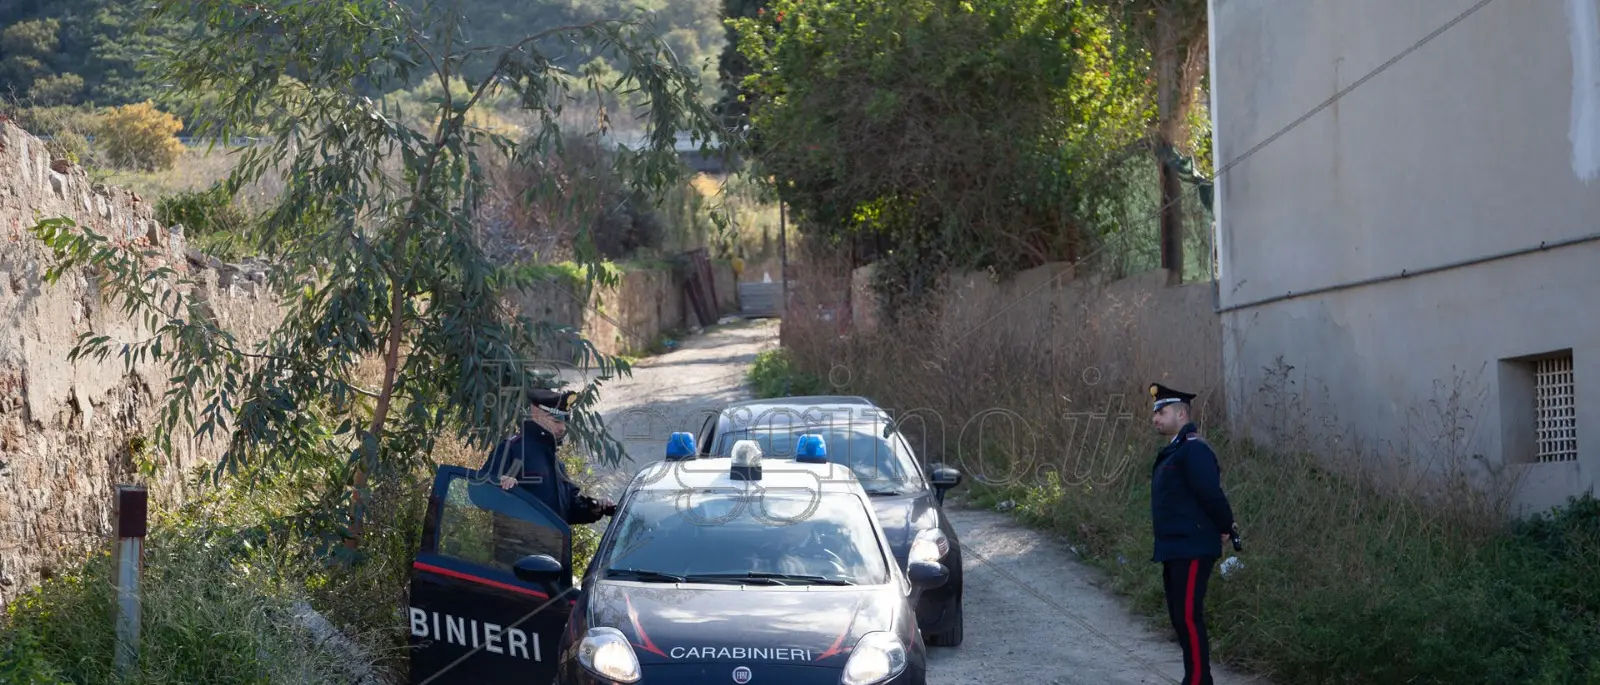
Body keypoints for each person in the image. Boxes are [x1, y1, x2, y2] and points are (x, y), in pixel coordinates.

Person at [1148, 382, 1237, 685]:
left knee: (1188, 617)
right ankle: (1196, 677)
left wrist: (1226, 526)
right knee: (1179, 618)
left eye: (1162, 411)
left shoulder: (1194, 449)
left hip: (1192, 547)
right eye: (1154, 412)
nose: (1156, 417)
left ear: (1182, 413)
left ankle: (1199, 681)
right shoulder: (1176, 450)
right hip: (1174, 547)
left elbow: (1211, 494)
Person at [475, 388, 617, 526]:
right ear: (536, 414)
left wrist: (597, 507)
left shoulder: (555, 463)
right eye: (557, 421)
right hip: (518, 548)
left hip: (553, 548)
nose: (563, 428)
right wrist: (499, 483)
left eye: (566, 422)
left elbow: (569, 508)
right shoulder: (513, 449)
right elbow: (480, 493)